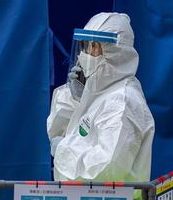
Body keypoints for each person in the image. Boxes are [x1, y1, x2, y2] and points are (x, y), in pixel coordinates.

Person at [47, 13, 155, 182]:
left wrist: (64, 149)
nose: (86, 54)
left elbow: (107, 170)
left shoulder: (122, 101)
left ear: (115, 52)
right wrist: (75, 99)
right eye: (85, 46)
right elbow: (58, 132)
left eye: (94, 46)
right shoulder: (98, 95)